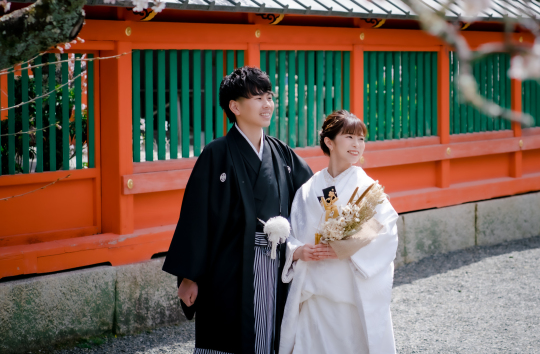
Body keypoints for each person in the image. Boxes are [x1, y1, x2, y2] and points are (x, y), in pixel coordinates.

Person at [163, 66, 314, 354]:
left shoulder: (280, 152)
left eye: (269, 97)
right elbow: (197, 217)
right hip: (229, 264)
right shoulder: (216, 153)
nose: (267, 104)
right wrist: (189, 276)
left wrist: (343, 197)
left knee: (272, 332)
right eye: (257, 98)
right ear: (235, 106)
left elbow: (311, 193)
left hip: (275, 262)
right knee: (227, 333)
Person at [279, 110, 398, 354]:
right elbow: (294, 232)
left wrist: (345, 247)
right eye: (349, 137)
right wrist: (298, 251)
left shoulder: (367, 188)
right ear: (329, 141)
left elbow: (385, 229)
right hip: (316, 292)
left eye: (361, 139)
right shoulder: (308, 189)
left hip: (351, 291)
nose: (357, 145)